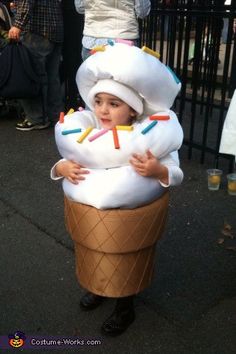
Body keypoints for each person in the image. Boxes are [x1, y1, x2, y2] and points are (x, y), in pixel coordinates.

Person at [51, 43, 183, 336]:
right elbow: (65, 160)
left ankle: (125, 307)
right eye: (99, 101)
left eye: (114, 103)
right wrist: (60, 169)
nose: (103, 110)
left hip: (130, 217)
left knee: (126, 259)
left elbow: (175, 172)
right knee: (96, 255)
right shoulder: (86, 131)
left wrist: (157, 171)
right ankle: (99, 289)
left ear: (132, 111)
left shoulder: (150, 139)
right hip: (91, 215)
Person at [8, 0, 64, 131]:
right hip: (55, 31)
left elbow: (27, 2)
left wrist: (18, 25)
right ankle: (56, 115)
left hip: (35, 32)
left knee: (31, 76)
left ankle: (36, 118)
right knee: (52, 77)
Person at [74, 0, 151, 61]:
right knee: (124, 79)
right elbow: (143, 12)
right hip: (124, 40)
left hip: (92, 41)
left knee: (90, 79)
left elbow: (80, 8)